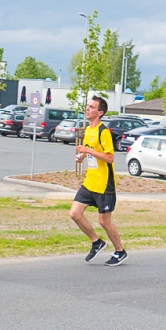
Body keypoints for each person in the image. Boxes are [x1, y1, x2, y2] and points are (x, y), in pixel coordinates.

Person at [69, 95, 127, 267]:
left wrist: (88, 150)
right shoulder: (88, 130)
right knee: (74, 214)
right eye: (87, 106)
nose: (88, 109)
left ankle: (120, 251)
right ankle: (97, 242)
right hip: (90, 182)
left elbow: (109, 158)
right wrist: (81, 156)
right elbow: (90, 151)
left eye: (92, 107)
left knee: (104, 221)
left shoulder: (104, 132)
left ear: (100, 112)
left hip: (104, 184)